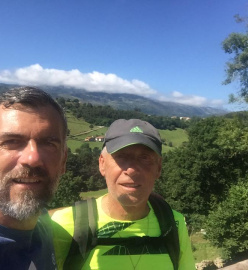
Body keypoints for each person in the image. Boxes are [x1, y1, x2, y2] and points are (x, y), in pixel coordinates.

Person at [51, 119, 196, 270]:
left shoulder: (173, 224)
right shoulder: (64, 225)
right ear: (102, 164)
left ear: (158, 168)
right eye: (122, 156)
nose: (132, 170)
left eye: (144, 158)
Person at [0, 86, 68, 270]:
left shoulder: (43, 225)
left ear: (64, 160)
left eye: (49, 143)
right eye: (11, 142)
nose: (33, 159)